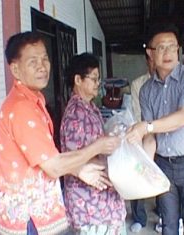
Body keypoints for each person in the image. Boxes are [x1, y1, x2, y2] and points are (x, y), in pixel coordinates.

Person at [0, 31, 120, 235]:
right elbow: (54, 166)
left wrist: (78, 169)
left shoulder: (33, 102)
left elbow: (47, 159)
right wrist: (97, 146)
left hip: (37, 212)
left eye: (45, 58)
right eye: (33, 61)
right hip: (28, 217)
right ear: (15, 69)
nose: (42, 66)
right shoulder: (21, 108)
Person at [126, 23, 184, 235]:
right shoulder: (146, 90)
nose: (168, 52)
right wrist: (144, 168)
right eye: (161, 47)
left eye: (172, 46)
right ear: (150, 53)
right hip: (164, 164)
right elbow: (150, 138)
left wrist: (146, 126)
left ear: (178, 49)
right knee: (168, 224)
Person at [59, 52, 127, 235]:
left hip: (101, 201)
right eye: (94, 78)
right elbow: (73, 160)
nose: (99, 83)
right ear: (78, 80)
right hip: (89, 204)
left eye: (99, 79)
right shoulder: (76, 113)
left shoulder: (90, 107)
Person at [129, 52, 155, 233]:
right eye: (152, 59)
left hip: (167, 137)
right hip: (143, 136)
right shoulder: (138, 84)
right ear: (148, 61)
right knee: (137, 175)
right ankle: (139, 216)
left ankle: (163, 214)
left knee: (163, 177)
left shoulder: (173, 84)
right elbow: (138, 115)